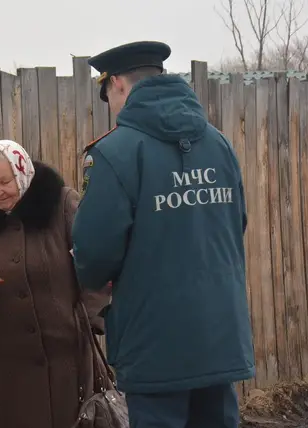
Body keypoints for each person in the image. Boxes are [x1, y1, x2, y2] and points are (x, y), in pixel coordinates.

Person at [70, 41, 254, 428]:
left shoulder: (114, 153)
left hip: (154, 343)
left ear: (117, 84)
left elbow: (94, 255)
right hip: (219, 336)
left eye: (107, 97)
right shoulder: (219, 144)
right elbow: (237, 224)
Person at [0, 140, 111, 428]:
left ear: (22, 172)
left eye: (5, 181)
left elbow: (93, 260)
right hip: (3, 363)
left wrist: (96, 319)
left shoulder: (61, 204)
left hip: (64, 355)